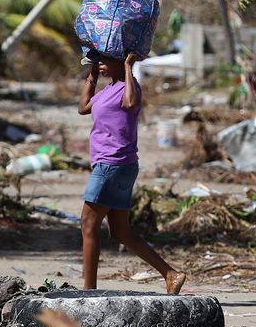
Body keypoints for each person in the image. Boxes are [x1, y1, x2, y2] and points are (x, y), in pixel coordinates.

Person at [78, 51, 185, 294]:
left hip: (112, 164)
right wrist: (93, 75)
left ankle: (88, 291)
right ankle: (171, 274)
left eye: (105, 61)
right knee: (120, 231)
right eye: (99, 61)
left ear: (119, 61)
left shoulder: (129, 86)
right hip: (118, 166)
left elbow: (130, 103)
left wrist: (129, 67)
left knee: (87, 224)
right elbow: (83, 107)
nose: (101, 65)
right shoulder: (107, 90)